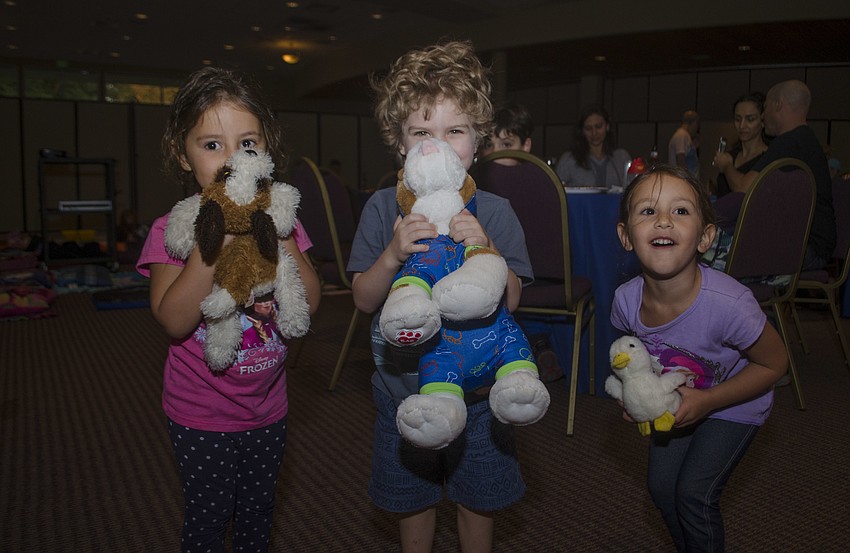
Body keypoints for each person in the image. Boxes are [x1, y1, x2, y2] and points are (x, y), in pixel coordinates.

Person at [349, 40, 533, 553]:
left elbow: (512, 300)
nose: (438, 144)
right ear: (399, 144)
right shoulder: (383, 208)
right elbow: (364, 299)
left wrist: (485, 246)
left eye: (454, 131)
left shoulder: (495, 212)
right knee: (414, 501)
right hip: (401, 390)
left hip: (478, 396)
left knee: (479, 499)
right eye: (421, 132)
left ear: (478, 141)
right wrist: (392, 253)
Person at [136, 66, 321, 553]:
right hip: (201, 411)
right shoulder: (169, 230)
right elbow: (174, 321)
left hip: (269, 405)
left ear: (266, 152)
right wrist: (213, 237)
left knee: (259, 512)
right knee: (209, 516)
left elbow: (310, 302)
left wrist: (277, 229)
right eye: (211, 144)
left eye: (247, 143)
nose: (231, 158)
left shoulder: (281, 218)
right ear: (182, 153)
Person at [612, 163, 788, 553]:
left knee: (693, 494)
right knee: (661, 489)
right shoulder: (626, 301)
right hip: (675, 401)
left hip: (736, 402)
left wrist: (708, 401)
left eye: (680, 211)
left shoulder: (730, 305)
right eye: (647, 211)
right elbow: (635, 356)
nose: (662, 221)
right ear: (626, 236)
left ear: (705, 237)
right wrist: (633, 392)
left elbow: (775, 365)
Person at [713, 80, 836, 270]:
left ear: (777, 105)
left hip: (805, 248)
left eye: (765, 108)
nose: (764, 115)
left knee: (702, 251)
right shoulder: (804, 141)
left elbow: (744, 190)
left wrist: (727, 166)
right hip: (809, 244)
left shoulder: (789, 143)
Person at [555, 103, 631, 189]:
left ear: (607, 126)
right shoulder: (568, 160)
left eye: (598, 126)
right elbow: (557, 192)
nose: (594, 133)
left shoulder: (622, 157)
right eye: (588, 128)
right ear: (582, 131)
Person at [714, 93, 769, 198]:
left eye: (750, 119)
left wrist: (726, 167)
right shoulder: (729, 156)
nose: (742, 126)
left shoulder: (768, 157)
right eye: (738, 119)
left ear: (763, 121)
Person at [668, 110, 701, 178]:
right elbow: (680, 159)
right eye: (697, 124)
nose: (697, 129)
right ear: (693, 123)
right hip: (684, 180)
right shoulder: (681, 135)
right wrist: (687, 180)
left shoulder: (685, 136)